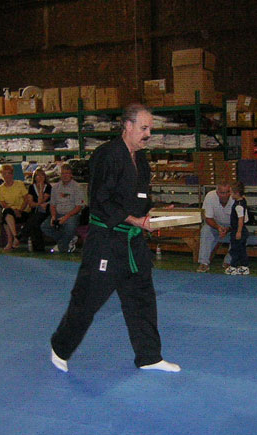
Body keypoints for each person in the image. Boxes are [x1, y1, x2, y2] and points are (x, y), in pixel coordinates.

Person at [50, 104, 180, 373]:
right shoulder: (107, 155)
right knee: (88, 298)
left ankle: (149, 356)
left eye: (150, 129)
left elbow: (140, 198)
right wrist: (134, 220)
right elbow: (101, 200)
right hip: (106, 241)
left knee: (142, 296)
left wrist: (155, 213)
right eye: (144, 128)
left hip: (132, 241)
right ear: (128, 126)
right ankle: (60, 347)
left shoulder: (140, 159)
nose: (148, 134)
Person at [40, 163, 84, 253]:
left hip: (72, 214)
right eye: (63, 173)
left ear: (71, 175)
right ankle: (68, 239)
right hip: (58, 213)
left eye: (67, 173)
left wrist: (66, 217)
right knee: (44, 226)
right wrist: (53, 216)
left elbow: (79, 207)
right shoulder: (55, 187)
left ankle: (62, 246)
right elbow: (52, 205)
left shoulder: (77, 187)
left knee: (70, 226)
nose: (65, 176)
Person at [196, 183, 234, 273]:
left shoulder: (236, 198)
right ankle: (204, 263)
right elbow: (208, 218)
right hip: (215, 225)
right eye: (222, 193)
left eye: (227, 192)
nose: (225, 195)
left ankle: (228, 262)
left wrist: (228, 229)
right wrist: (218, 228)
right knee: (205, 230)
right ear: (217, 192)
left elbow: (240, 221)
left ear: (230, 191)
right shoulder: (210, 196)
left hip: (232, 226)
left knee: (242, 234)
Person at [0, 164, 29, 251]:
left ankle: (10, 242)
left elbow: (26, 199)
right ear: (1, 175)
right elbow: (3, 204)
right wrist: (14, 210)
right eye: (4, 174)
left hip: (22, 211)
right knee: (7, 213)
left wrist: (20, 210)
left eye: (9, 173)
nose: (7, 176)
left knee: (5, 218)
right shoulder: (0, 188)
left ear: (12, 174)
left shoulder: (19, 184)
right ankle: (15, 237)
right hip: (10, 211)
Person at [225, 181, 250, 275]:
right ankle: (244, 266)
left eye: (231, 192)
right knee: (242, 249)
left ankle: (233, 267)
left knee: (235, 249)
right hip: (242, 230)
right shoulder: (242, 200)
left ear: (237, 193)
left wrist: (238, 232)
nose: (230, 194)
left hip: (238, 229)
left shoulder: (238, 206)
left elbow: (240, 219)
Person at [24, 167, 52, 252]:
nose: (40, 177)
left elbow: (41, 200)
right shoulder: (31, 187)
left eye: (42, 175)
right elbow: (31, 204)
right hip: (35, 211)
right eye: (37, 176)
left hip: (45, 211)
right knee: (34, 221)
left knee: (35, 221)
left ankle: (22, 234)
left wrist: (41, 189)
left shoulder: (48, 187)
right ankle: (38, 247)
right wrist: (38, 205)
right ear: (34, 177)